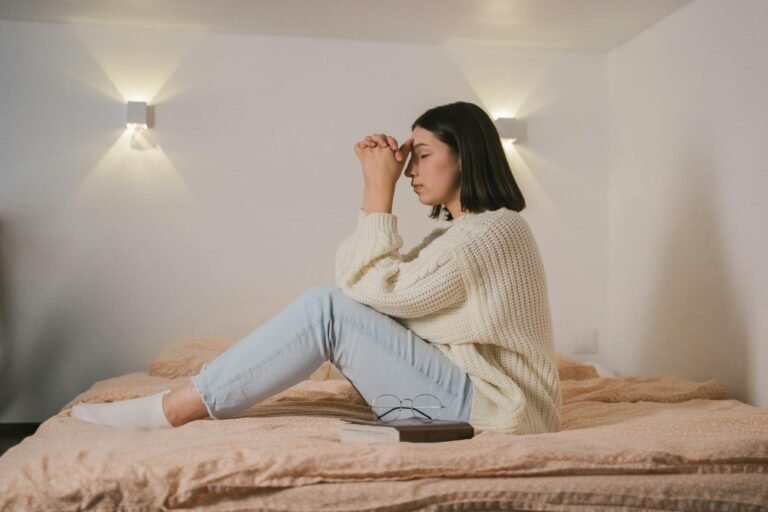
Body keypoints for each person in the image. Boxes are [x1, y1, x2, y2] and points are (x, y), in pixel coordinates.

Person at [71, 101, 562, 435]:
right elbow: (365, 287)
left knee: (324, 308)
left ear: (465, 158)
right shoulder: (455, 236)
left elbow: (369, 288)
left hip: (500, 412)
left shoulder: (495, 232)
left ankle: (173, 409)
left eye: (423, 156)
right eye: (409, 159)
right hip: (471, 399)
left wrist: (377, 191)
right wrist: (377, 193)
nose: (411, 170)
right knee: (331, 304)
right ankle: (196, 393)